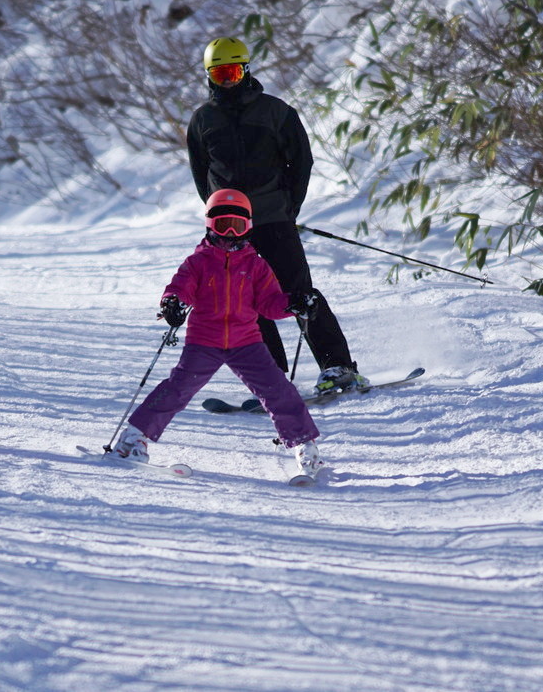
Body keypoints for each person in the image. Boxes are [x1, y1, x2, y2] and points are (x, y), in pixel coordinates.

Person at [186, 36, 367, 396]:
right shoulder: (202, 120)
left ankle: (338, 367)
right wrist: (221, 216)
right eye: (220, 74)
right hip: (232, 230)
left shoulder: (276, 111)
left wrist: (288, 207)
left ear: (247, 70)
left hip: (273, 219)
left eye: (234, 72)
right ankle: (271, 376)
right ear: (209, 76)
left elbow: (301, 162)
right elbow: (200, 172)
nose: (228, 81)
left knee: (299, 293)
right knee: (244, 302)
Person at [112, 189, 322, 474]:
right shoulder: (198, 262)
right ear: (211, 225)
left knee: (278, 391)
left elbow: (269, 304)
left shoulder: (256, 265)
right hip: (204, 341)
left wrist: (293, 304)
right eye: (225, 226)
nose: (232, 234)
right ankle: (132, 439)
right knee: (176, 390)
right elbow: (180, 288)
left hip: (246, 342)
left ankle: (304, 445)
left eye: (239, 226)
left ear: (249, 227)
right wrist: (172, 303)